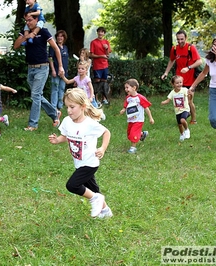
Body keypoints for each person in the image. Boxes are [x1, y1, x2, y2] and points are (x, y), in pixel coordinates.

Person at [48, 88, 112, 219]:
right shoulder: (67, 121)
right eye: (67, 107)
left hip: (90, 162)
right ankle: (105, 211)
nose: (69, 110)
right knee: (93, 189)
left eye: (72, 107)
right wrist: (57, 140)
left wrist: (102, 148)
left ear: (83, 106)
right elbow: (65, 136)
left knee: (72, 185)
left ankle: (95, 199)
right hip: (79, 162)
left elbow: (106, 132)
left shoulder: (89, 124)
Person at [13, 13, 64, 131]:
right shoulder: (25, 32)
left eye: (30, 20)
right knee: (37, 95)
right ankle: (54, 113)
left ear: (37, 20)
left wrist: (60, 66)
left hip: (42, 67)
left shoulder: (44, 32)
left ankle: (33, 125)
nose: (28, 23)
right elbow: (16, 45)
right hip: (30, 68)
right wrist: (26, 37)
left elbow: (56, 48)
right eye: (26, 21)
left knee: (35, 95)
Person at [161, 30, 202, 124]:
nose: (180, 41)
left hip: (190, 80)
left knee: (189, 101)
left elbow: (199, 61)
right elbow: (171, 60)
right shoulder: (174, 48)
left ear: (186, 38)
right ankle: (182, 117)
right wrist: (166, 72)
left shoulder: (191, 48)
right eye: (178, 39)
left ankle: (193, 119)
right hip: (178, 80)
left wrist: (188, 67)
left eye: (182, 39)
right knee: (179, 100)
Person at [119, 79, 154, 154]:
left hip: (138, 120)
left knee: (133, 134)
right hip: (131, 119)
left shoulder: (140, 98)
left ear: (134, 88)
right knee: (129, 134)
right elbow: (126, 105)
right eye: (125, 87)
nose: (125, 89)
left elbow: (147, 109)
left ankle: (133, 148)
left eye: (127, 87)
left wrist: (150, 118)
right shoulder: (128, 98)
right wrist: (123, 109)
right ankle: (142, 134)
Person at [161, 75, 190, 141]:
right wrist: (163, 102)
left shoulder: (184, 90)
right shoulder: (172, 93)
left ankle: (187, 130)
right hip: (177, 111)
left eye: (180, 82)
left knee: (182, 120)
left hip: (185, 109)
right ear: (173, 84)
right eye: (177, 83)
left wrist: (190, 98)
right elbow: (168, 100)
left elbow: (189, 95)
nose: (179, 84)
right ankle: (182, 134)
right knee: (179, 125)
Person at [90, 26, 111, 106]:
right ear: (97, 33)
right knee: (97, 82)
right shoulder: (93, 42)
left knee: (104, 82)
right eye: (99, 31)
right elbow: (92, 55)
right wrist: (101, 56)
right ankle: (96, 99)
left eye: (102, 32)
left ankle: (104, 98)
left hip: (105, 65)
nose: (100, 33)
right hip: (97, 65)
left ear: (104, 33)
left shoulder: (106, 42)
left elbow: (108, 55)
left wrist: (106, 49)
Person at [49, 30, 69, 112]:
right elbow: (50, 58)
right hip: (56, 71)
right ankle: (53, 107)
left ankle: (60, 106)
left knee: (62, 88)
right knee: (55, 89)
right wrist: (53, 70)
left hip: (64, 73)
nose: (60, 38)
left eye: (62, 36)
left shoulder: (65, 47)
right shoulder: (53, 47)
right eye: (58, 36)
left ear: (64, 38)